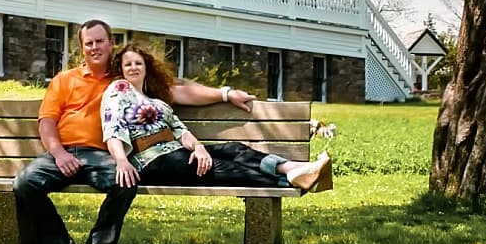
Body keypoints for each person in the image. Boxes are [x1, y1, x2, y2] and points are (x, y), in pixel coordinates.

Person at [13, 19, 255, 244]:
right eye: (89, 43)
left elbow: (180, 92)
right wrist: (59, 153)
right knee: (25, 184)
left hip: (102, 155)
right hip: (62, 153)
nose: (95, 47)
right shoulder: (65, 80)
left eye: (100, 42)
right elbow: (47, 124)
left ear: (111, 44)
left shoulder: (124, 79)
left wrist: (226, 94)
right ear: (82, 48)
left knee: (125, 181)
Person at [102, 42, 332, 192]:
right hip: (151, 161)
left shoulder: (158, 101)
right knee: (221, 168)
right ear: (121, 69)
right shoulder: (118, 90)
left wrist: (199, 148)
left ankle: (293, 169)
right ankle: (290, 180)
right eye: (128, 64)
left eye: (138, 63)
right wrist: (121, 160)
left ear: (146, 67)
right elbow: (113, 127)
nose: (133, 67)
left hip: (176, 153)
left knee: (233, 149)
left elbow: (181, 130)